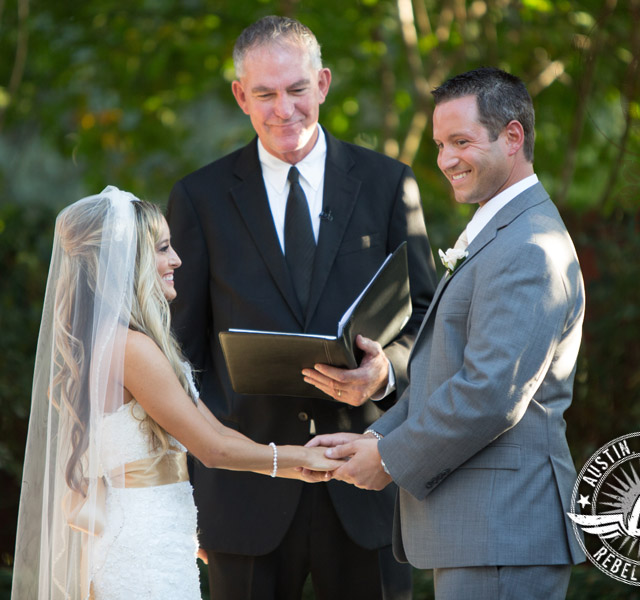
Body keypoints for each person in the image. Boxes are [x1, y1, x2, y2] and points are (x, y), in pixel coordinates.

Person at [166, 15, 437, 600]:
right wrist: (186, 495)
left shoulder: (389, 185)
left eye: (296, 89)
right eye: (264, 93)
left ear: (323, 84)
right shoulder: (199, 198)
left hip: (368, 484)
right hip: (242, 494)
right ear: (240, 95)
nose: (283, 109)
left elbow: (429, 324)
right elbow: (180, 358)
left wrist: (386, 369)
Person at [308, 67, 586, 599]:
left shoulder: (529, 247)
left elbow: (488, 393)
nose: (445, 160)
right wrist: (374, 438)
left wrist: (388, 461)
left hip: (503, 530)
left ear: (512, 136)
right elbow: (449, 373)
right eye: (440, 144)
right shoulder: (500, 231)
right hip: (481, 534)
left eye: (461, 141)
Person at [10, 186, 342, 600]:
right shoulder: (131, 348)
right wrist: (299, 456)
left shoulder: (121, 343)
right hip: (142, 543)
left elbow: (218, 433)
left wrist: (306, 464)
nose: (176, 260)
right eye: (163, 248)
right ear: (128, 260)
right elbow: (212, 450)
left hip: (158, 532)